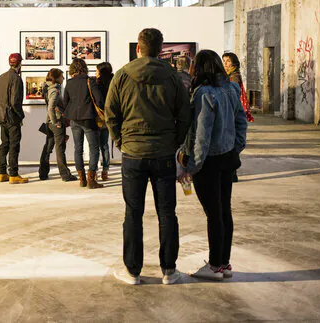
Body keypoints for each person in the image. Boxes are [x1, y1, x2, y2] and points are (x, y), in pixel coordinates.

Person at [105, 28, 192, 286]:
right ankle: (169, 270)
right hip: (164, 154)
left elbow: (110, 114)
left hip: (133, 154)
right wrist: (174, 142)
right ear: (160, 48)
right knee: (167, 213)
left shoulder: (122, 75)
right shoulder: (173, 77)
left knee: (133, 213)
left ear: (138, 48)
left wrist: (121, 141)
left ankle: (132, 271)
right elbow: (185, 115)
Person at [178, 50, 248, 281]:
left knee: (214, 214)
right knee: (224, 211)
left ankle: (215, 264)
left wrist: (193, 165)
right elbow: (241, 122)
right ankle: (224, 262)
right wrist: (235, 147)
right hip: (227, 158)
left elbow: (202, 134)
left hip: (209, 161)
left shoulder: (203, 94)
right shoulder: (230, 89)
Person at [63, 58, 104, 189]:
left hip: (75, 120)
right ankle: (91, 180)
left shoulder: (69, 83)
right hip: (89, 119)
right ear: (84, 68)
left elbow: (65, 102)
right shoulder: (89, 81)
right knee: (94, 148)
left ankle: (82, 179)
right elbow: (99, 100)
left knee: (78, 148)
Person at [0, 53, 28, 184]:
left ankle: (1, 173)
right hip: (12, 117)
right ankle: (13, 174)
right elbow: (15, 102)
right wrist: (20, 116)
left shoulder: (1, 77)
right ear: (19, 64)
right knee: (14, 145)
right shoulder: (16, 79)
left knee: (4, 144)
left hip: (1, 116)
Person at [38, 68, 77, 182]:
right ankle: (65, 175)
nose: (63, 78)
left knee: (48, 148)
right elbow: (51, 107)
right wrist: (56, 122)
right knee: (60, 149)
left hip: (49, 123)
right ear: (56, 78)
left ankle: (43, 173)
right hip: (56, 123)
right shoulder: (55, 90)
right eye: (61, 76)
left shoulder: (47, 88)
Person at [222, 52, 254, 123]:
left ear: (233, 63)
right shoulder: (227, 74)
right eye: (224, 61)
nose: (225, 63)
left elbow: (233, 92)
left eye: (228, 61)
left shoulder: (234, 76)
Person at [96, 62, 114, 181]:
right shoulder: (113, 81)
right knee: (105, 145)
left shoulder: (97, 84)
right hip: (109, 117)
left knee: (95, 146)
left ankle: (95, 171)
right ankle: (105, 171)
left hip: (98, 117)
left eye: (97, 70)